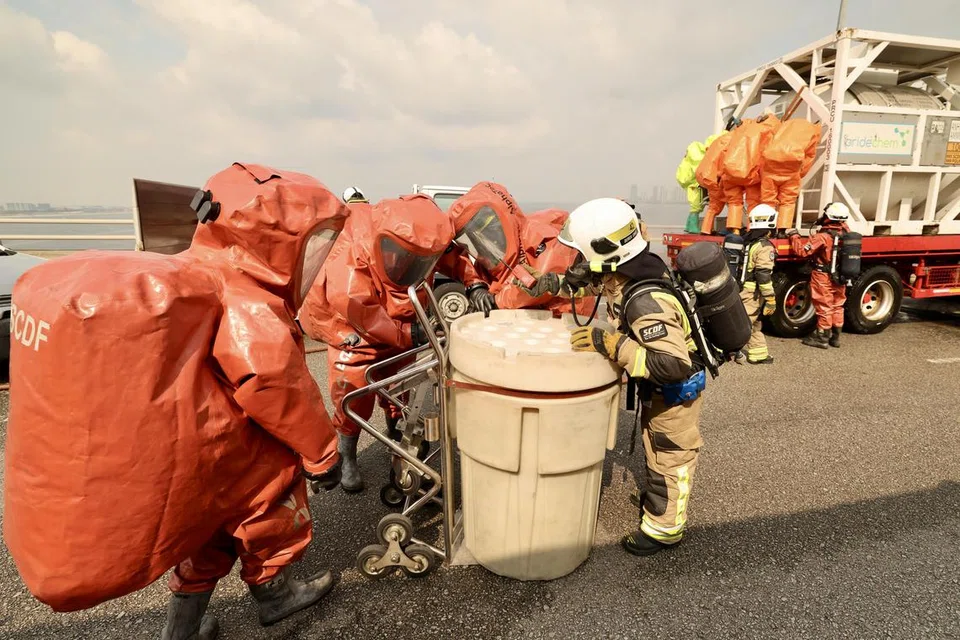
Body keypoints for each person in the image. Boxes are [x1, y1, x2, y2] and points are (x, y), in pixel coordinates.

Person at [4, 163, 349, 639]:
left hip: (200, 458)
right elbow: (273, 384)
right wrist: (322, 454)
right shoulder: (247, 297)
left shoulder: (197, 273)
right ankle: (277, 594)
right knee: (272, 514)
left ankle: (180, 632)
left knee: (204, 539)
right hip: (240, 456)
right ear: (280, 238)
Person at [520, 197, 705, 556]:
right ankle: (659, 500)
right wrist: (552, 285)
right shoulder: (633, 268)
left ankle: (664, 530)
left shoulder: (645, 300)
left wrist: (610, 342)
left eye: (584, 254)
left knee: (670, 455)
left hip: (676, 391)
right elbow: (596, 286)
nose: (582, 263)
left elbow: (671, 365)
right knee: (655, 449)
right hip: (661, 389)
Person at [299, 194, 471, 492]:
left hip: (401, 323)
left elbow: (450, 254)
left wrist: (476, 282)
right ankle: (348, 454)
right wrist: (410, 334)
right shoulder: (349, 262)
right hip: (351, 333)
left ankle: (400, 445)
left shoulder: (421, 237)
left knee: (401, 388)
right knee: (353, 395)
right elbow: (360, 311)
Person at [447, 181, 594, 315]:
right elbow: (478, 274)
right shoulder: (489, 260)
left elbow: (541, 284)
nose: (485, 243)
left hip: (567, 326)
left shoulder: (542, 237)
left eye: (488, 231)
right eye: (474, 239)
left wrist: (496, 301)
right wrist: (476, 288)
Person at [787, 202, 851, 349]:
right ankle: (835, 337)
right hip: (841, 274)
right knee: (837, 304)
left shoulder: (822, 237)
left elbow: (803, 251)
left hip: (823, 275)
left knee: (824, 305)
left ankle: (822, 337)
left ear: (827, 217)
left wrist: (794, 236)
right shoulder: (847, 232)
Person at [721, 114, 780, 233]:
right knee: (753, 202)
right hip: (751, 174)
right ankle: (751, 229)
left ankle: (735, 231)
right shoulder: (765, 130)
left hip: (730, 171)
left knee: (734, 202)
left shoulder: (741, 131)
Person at [760, 119, 821, 232]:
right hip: (791, 169)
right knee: (787, 201)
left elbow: (764, 144)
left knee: (768, 200)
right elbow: (809, 157)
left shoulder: (782, 126)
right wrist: (800, 172)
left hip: (771, 167)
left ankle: (766, 229)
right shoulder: (812, 131)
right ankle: (782, 230)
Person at [739, 204, 778, 364]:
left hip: (742, 289)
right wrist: (770, 299)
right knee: (745, 324)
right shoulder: (764, 247)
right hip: (752, 293)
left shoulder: (747, 241)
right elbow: (763, 275)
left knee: (753, 322)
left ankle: (758, 354)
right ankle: (724, 350)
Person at [696, 127, 734, 235]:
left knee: (712, 207)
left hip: (712, 180)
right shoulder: (730, 145)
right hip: (724, 179)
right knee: (734, 203)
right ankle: (732, 229)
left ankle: (705, 229)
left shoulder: (714, 146)